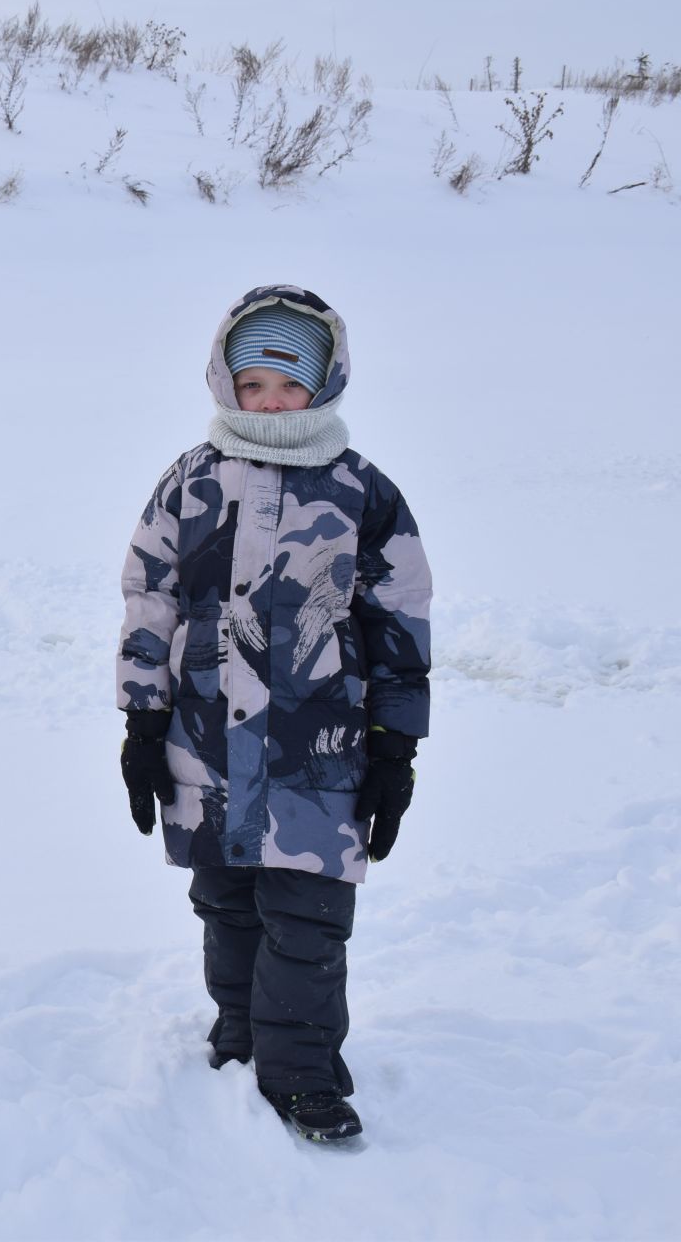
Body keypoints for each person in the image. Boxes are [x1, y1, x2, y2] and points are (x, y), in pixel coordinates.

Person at [115, 285, 432, 1143]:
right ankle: (241, 1034)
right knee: (225, 900)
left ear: (325, 384)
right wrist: (143, 722)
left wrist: (395, 744)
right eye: (252, 384)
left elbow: (400, 619)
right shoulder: (191, 480)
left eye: (288, 385)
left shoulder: (362, 491)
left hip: (316, 752)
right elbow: (151, 598)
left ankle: (301, 1076)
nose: (269, 402)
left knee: (310, 913)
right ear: (226, 381)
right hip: (208, 745)